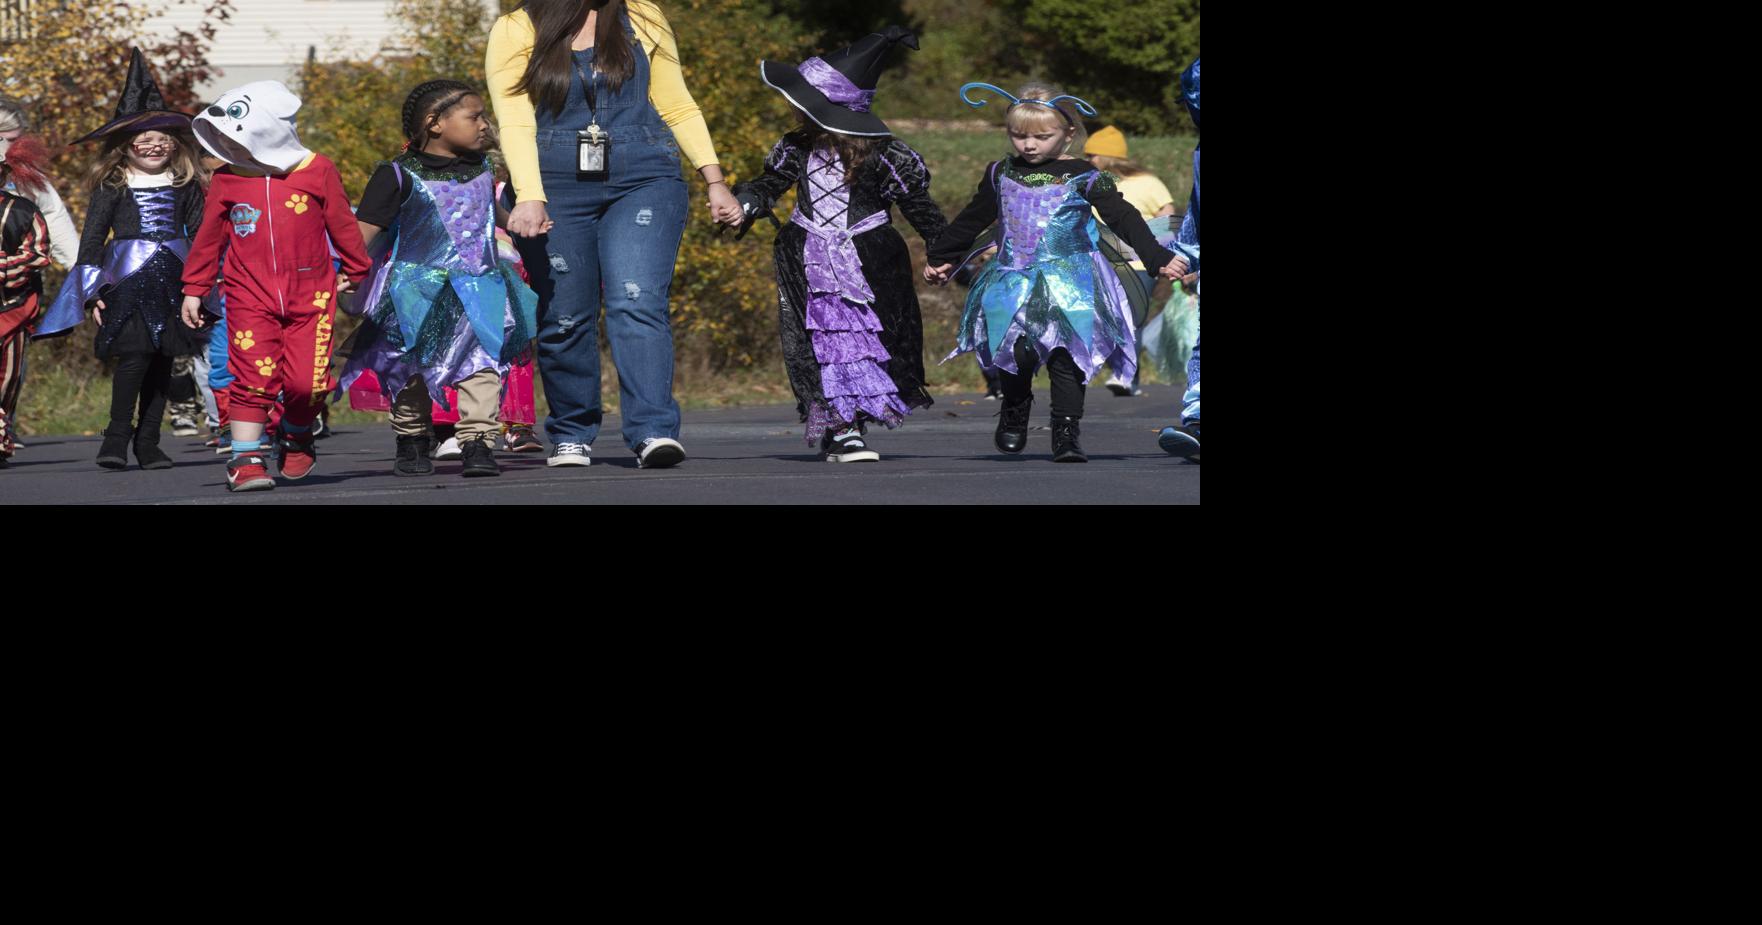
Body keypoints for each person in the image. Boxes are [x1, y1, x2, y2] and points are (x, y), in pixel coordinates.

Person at [926, 83, 1185, 463]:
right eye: (1019, 135)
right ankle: (1014, 408)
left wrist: (1156, 256)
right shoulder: (1001, 172)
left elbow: (1122, 217)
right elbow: (974, 217)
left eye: (1041, 137)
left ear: (1068, 134)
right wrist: (943, 255)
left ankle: (1066, 431)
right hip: (1013, 277)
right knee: (1014, 350)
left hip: (1073, 280)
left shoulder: (1085, 175)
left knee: (1067, 356)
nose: (1029, 145)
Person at [731, 26, 947, 461]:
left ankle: (852, 424)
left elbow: (919, 206)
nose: (797, 111)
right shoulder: (796, 146)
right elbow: (771, 182)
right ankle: (840, 426)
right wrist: (748, 202)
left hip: (869, 258)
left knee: (866, 343)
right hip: (806, 256)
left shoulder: (886, 154)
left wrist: (947, 253)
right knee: (819, 341)